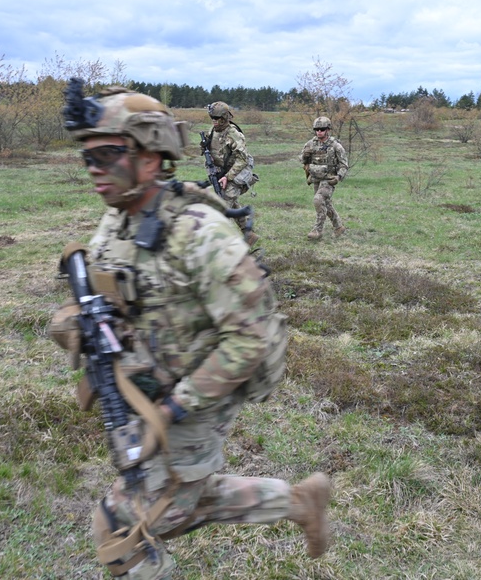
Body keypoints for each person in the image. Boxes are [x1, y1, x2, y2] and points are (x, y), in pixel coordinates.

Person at [49, 84, 330, 580]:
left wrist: (169, 411)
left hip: (197, 396)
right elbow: (98, 294)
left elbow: (249, 340)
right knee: (187, 500)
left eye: (109, 153)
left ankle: (292, 502)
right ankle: (299, 502)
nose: (94, 166)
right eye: (88, 155)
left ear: (153, 158)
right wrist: (76, 325)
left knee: (123, 532)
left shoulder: (200, 233)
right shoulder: (117, 222)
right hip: (149, 386)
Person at [203, 101, 258, 244]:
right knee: (230, 202)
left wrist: (228, 177)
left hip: (238, 171)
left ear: (225, 117)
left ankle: (221, 243)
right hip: (222, 172)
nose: (214, 121)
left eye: (217, 118)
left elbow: (242, 159)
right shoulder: (212, 131)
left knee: (223, 204)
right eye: (212, 118)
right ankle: (248, 234)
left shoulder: (233, 134)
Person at [300, 116, 348, 240]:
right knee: (325, 203)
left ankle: (317, 230)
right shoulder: (310, 144)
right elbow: (302, 160)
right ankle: (338, 227)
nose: (319, 131)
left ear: (328, 130)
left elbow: (344, 165)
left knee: (318, 200)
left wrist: (338, 177)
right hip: (316, 178)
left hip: (329, 179)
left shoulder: (336, 146)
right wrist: (305, 158)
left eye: (322, 129)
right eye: (317, 129)